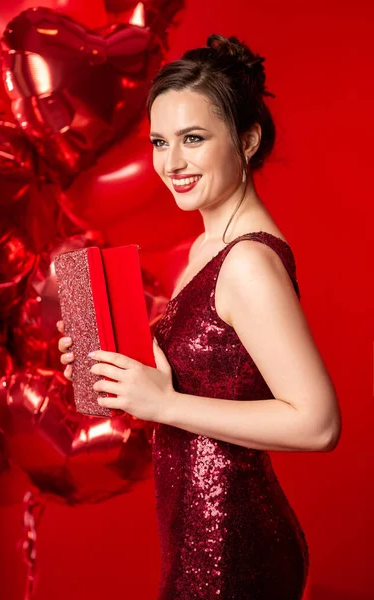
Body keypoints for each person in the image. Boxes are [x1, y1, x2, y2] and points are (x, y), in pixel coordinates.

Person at [57, 34, 341, 599]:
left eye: (193, 139)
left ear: (247, 139)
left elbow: (318, 424)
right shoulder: (207, 248)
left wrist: (162, 401)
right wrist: (121, 379)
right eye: (161, 142)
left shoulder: (248, 262)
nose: (172, 162)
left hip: (232, 550)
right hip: (194, 533)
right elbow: (199, 398)